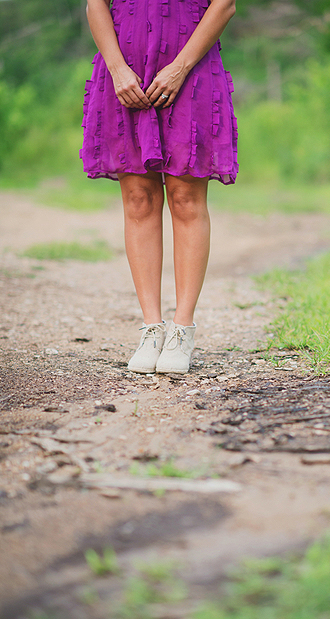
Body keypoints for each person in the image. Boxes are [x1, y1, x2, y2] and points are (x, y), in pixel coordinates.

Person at [81, 0, 238, 374]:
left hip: (192, 70)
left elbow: (225, 5)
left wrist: (180, 67)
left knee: (186, 199)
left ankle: (182, 329)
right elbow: (95, 4)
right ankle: (152, 328)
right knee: (138, 199)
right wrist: (118, 70)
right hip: (125, 75)